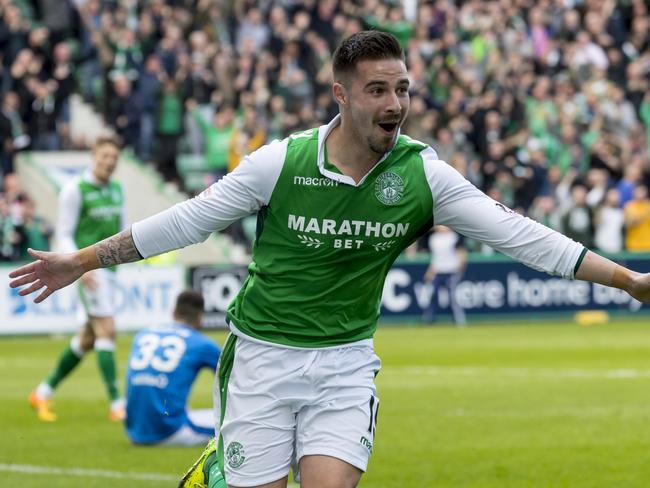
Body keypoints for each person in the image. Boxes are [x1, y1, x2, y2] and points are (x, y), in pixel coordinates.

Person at [9, 31, 650, 488]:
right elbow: (186, 221)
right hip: (260, 357)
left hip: (345, 366)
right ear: (340, 95)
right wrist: (84, 260)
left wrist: (626, 280)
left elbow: (524, 237)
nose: (394, 104)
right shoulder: (279, 162)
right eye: (377, 90)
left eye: (401, 88)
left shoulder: (425, 175)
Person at [28, 135, 127, 422]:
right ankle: (117, 405)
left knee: (87, 339)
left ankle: (42, 393)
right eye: (104, 156)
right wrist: (78, 267)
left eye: (114, 158)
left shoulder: (118, 189)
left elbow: (123, 231)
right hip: (90, 272)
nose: (109, 162)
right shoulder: (75, 190)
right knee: (107, 330)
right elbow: (64, 233)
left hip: (111, 272)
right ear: (94, 155)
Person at [125, 290, 221, 446]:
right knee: (236, 427)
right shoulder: (202, 343)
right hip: (170, 431)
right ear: (200, 317)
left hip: (134, 431)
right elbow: (232, 378)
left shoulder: (143, 334)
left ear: (174, 312)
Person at [422, 225, 467, 326]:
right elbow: (435, 258)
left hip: (451, 271)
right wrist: (430, 271)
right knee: (433, 295)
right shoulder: (433, 238)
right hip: (438, 271)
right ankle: (429, 319)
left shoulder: (454, 237)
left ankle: (458, 320)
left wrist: (460, 269)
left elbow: (461, 254)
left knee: (452, 297)